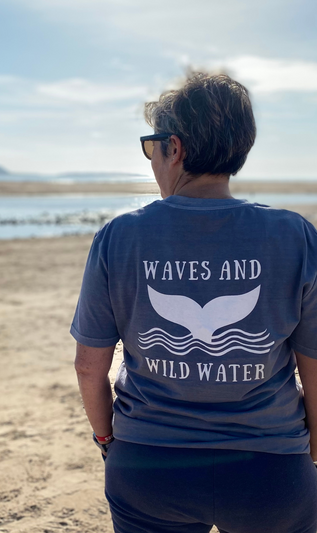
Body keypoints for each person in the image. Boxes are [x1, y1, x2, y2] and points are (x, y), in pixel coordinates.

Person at [70, 72, 317, 533]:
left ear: (175, 148)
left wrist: (107, 439)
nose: (151, 160)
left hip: (150, 467)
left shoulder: (119, 237)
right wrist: (313, 446)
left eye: (151, 146)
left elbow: (89, 365)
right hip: (271, 470)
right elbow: (315, 361)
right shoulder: (294, 235)